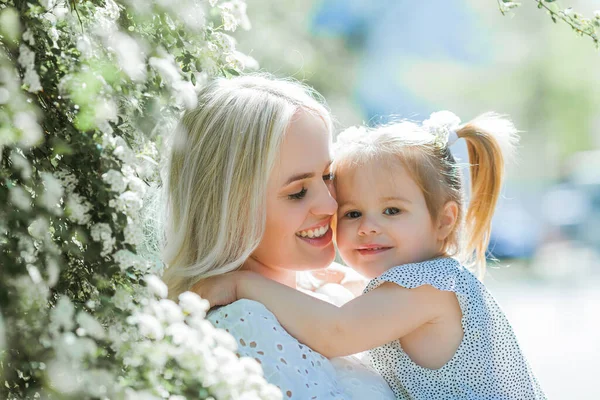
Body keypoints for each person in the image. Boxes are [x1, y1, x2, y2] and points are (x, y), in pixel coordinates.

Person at [193, 111, 547, 399]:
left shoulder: (430, 286)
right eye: (351, 213)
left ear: (444, 220)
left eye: (392, 211)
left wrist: (243, 284)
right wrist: (342, 277)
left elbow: (337, 332)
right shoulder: (421, 283)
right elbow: (370, 301)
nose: (367, 228)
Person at [160, 74, 395, 399]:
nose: (330, 204)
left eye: (328, 176)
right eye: (298, 192)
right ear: (228, 207)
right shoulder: (243, 326)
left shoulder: (337, 291)